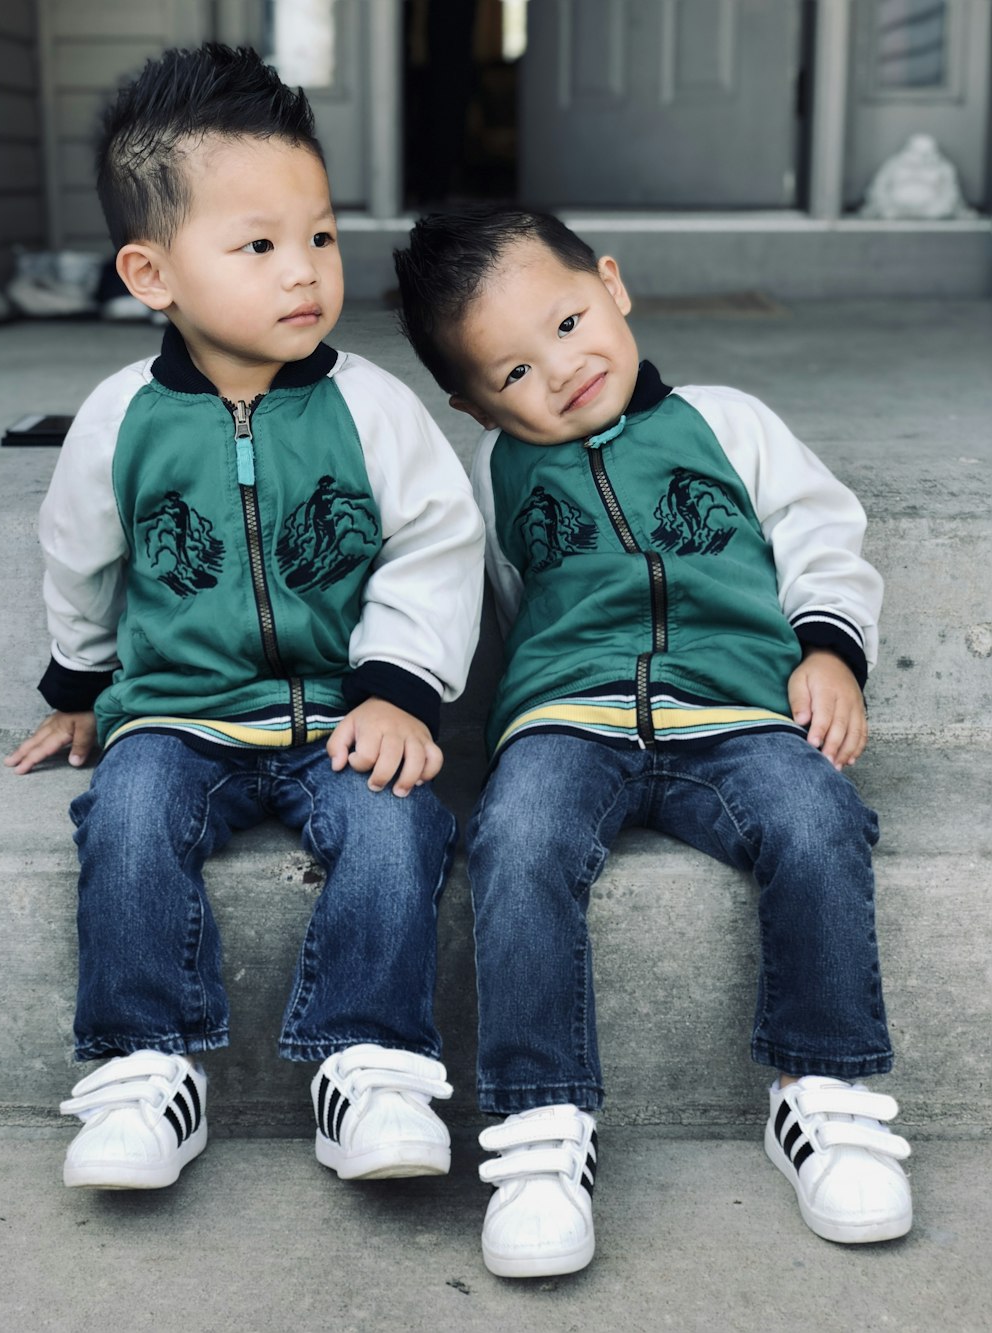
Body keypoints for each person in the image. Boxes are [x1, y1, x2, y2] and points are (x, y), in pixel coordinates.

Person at [394, 208, 911, 1278]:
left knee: (817, 818)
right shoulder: (489, 479)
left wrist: (828, 653)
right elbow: (468, 607)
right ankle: (538, 1130)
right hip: (567, 718)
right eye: (514, 371)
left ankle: (822, 1093)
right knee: (518, 836)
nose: (564, 370)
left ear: (614, 286)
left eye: (571, 321)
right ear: (470, 400)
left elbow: (822, 533)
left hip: (737, 709)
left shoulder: (730, 422)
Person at [5, 45, 484, 1192]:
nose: (303, 272)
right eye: (258, 245)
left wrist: (399, 688)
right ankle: (142, 1068)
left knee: (395, 824)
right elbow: (80, 559)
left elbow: (435, 544)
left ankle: (368, 1059)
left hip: (341, 711)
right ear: (152, 272)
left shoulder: (370, 406)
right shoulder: (120, 421)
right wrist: (80, 688)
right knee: (125, 818)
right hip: (179, 710)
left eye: (318, 235)